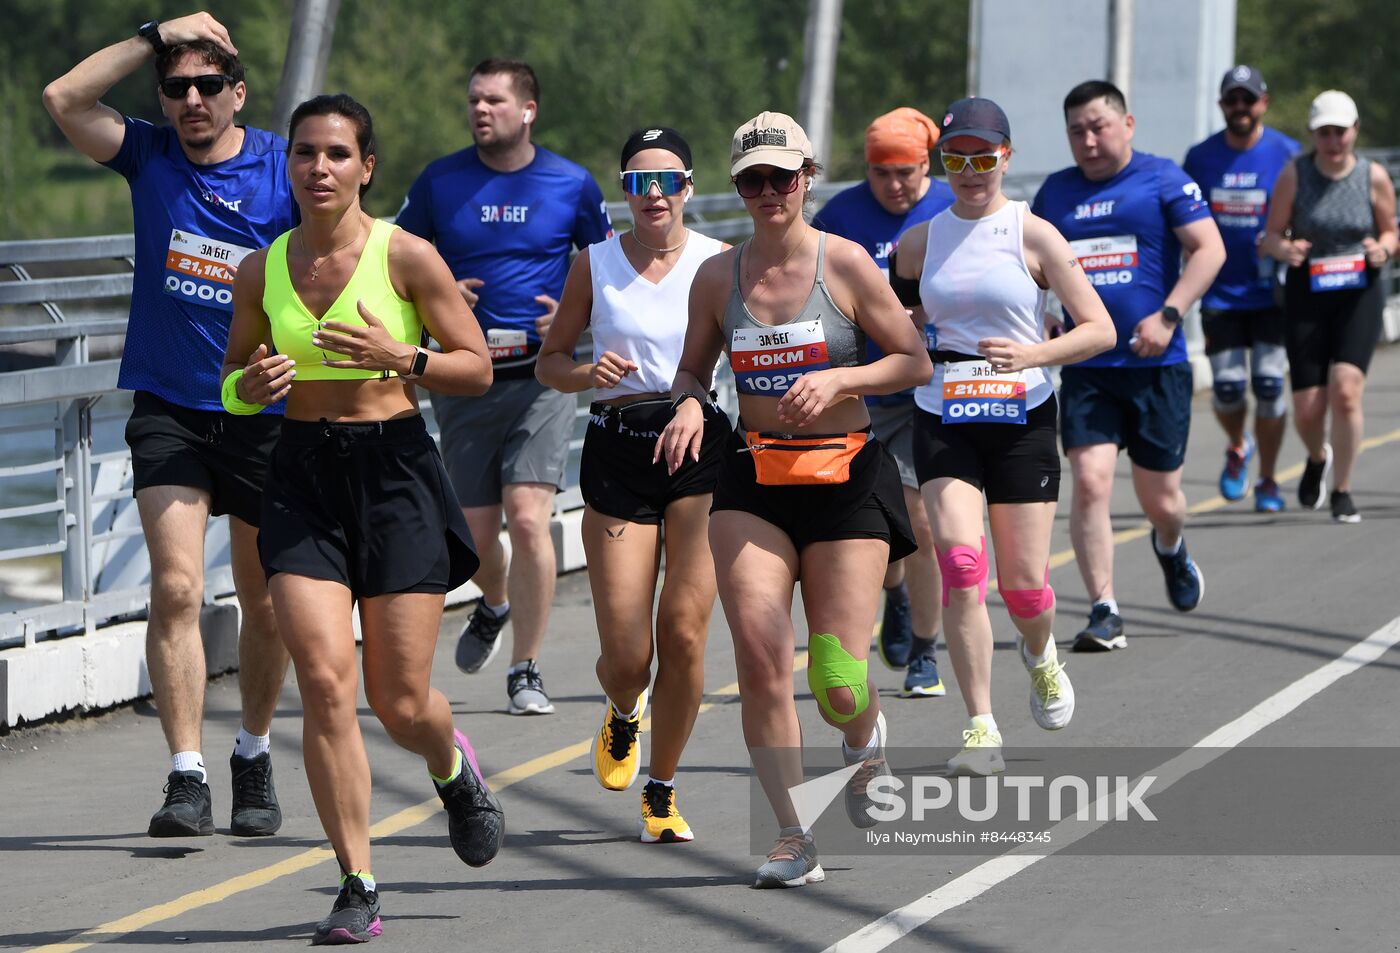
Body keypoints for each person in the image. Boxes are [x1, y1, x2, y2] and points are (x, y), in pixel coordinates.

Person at [222, 94, 501, 945]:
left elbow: (478, 367)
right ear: (289, 165)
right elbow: (232, 381)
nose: (319, 168)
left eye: (338, 154)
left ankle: (451, 766)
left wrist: (403, 357)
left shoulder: (407, 256)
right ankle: (357, 879)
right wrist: (253, 388)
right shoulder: (261, 267)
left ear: (365, 167)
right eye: (305, 153)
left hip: (397, 472)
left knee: (401, 696)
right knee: (326, 682)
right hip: (302, 475)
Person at [657, 112, 931, 887]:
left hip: (845, 474)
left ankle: (862, 739)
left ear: (808, 177)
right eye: (753, 180)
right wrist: (686, 403)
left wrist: (841, 378)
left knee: (838, 678)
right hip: (754, 477)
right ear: (737, 187)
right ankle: (791, 834)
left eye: (783, 176)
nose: (770, 191)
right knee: (760, 652)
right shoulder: (719, 276)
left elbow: (912, 361)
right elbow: (690, 370)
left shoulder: (843, 264)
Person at [42, 12, 292, 838]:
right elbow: (63, 96)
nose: (192, 100)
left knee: (264, 598)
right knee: (179, 586)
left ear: (237, 93)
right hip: (169, 406)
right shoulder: (147, 154)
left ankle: (251, 753)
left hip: (263, 409)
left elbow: (331, 265)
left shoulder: (281, 166)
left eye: (208, 86)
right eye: (177, 87)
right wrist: (154, 33)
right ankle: (187, 774)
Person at [893, 98, 1115, 774]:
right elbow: (896, 311)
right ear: (941, 163)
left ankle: (1040, 652)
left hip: (1021, 410)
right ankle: (981, 727)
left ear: (1006, 158)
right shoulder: (919, 240)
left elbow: (1098, 328)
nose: (969, 171)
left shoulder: (1034, 233)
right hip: (944, 410)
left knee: (1022, 588)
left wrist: (1034, 356)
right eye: (955, 158)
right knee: (963, 566)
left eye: (983, 157)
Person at [397, 58, 613, 714]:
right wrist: (436, 299)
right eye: (473, 101)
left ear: (528, 110)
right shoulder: (439, 181)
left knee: (528, 515)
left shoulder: (571, 183)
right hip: (465, 380)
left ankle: (527, 666)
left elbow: (607, 269)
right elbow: (394, 267)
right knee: (473, 530)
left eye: (493, 100)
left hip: (541, 377)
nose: (479, 110)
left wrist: (577, 315)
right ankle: (493, 602)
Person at [537, 127, 729, 843]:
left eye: (668, 180)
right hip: (619, 448)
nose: (654, 195)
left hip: (701, 445)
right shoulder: (595, 262)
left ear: (688, 185)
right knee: (628, 657)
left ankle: (663, 786)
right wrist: (588, 374)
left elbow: (755, 345)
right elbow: (549, 363)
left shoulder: (720, 261)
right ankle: (624, 711)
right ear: (623, 189)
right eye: (638, 181)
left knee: (683, 631)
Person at [1032, 80, 1224, 651]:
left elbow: (1210, 249)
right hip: (1090, 367)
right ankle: (1104, 609)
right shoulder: (1055, 194)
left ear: (1127, 124)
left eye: (1099, 126)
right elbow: (1029, 265)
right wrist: (1042, 314)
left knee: (1160, 500)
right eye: (1076, 131)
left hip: (1157, 366)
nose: (1088, 140)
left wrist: (1169, 314)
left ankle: (1170, 545)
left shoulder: (1162, 177)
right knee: (1089, 483)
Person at [811, 107, 954, 698]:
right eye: (880, 173)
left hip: (932, 386)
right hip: (859, 387)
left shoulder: (955, 205)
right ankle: (894, 592)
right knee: (874, 525)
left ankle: (924, 650)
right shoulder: (840, 216)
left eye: (908, 172)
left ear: (928, 164)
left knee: (922, 517)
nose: (895, 185)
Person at [1262, 90, 1398, 523]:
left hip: (1359, 289)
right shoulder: (1295, 174)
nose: (1334, 141)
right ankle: (1317, 456)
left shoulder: (1372, 175)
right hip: (1309, 290)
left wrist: (1384, 248)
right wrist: (1286, 250)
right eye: (1325, 133)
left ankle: (1342, 489)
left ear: (1354, 131)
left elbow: (1392, 232)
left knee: (1345, 389)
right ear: (1313, 135)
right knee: (1308, 407)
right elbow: (1268, 237)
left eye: (1340, 131)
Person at [1183, 66, 1300, 512]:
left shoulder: (1287, 153)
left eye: (1247, 100)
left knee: (1270, 385)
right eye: (1231, 100)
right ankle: (1238, 446)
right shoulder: (1201, 157)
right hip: (1220, 293)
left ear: (1263, 103)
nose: (1240, 109)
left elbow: (1305, 211)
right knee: (1229, 389)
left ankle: (1269, 480)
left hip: (1271, 292)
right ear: (1221, 106)